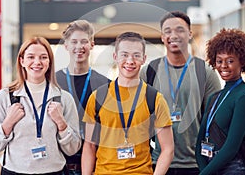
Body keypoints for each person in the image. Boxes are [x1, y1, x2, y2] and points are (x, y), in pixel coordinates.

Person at [0, 37, 81, 174]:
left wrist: (61, 123)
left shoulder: (63, 98)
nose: (37, 62)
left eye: (43, 57)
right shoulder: (5, 97)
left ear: (49, 62)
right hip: (14, 171)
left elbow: (73, 148)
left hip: (54, 172)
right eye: (31, 57)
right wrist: (7, 124)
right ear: (22, 61)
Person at [140, 10, 221, 175]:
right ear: (162, 37)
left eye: (180, 30)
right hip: (157, 163)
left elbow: (216, 121)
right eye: (168, 31)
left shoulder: (205, 72)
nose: (173, 35)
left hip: (195, 164)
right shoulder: (149, 71)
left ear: (190, 34)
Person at [82, 32, 174, 175]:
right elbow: (89, 146)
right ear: (115, 57)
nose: (130, 61)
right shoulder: (98, 97)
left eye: (136, 55)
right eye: (124, 55)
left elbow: (168, 149)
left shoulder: (154, 98)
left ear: (144, 59)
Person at [195, 28, 245, 174]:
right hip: (211, 167)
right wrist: (204, 170)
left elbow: (231, 148)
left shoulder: (244, 95)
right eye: (219, 61)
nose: (223, 66)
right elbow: (199, 142)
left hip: (233, 169)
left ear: (242, 62)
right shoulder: (214, 97)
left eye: (230, 61)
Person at [56, 20, 110, 175]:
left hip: (94, 161)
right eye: (74, 42)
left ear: (92, 45)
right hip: (59, 162)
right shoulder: (53, 82)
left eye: (84, 42)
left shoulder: (105, 84)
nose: (79, 47)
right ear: (66, 46)